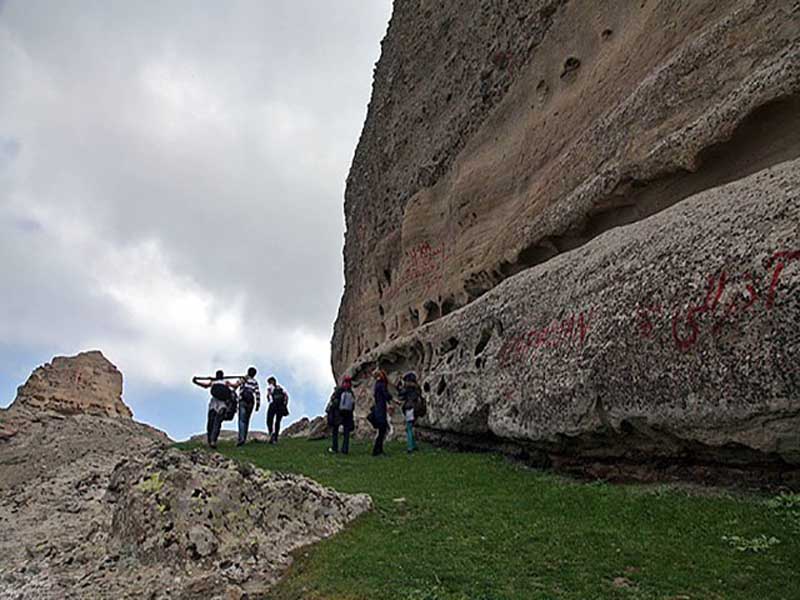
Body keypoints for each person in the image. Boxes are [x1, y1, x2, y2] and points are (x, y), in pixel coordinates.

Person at [192, 370, 236, 449]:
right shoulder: (225, 382)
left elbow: (205, 386)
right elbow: (235, 386)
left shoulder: (214, 382)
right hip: (220, 404)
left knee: (212, 423)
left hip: (216, 404)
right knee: (215, 423)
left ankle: (211, 440)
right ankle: (212, 441)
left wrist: (196, 382)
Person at [329, 375, 355, 454]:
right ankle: (345, 449)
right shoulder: (351, 392)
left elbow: (334, 401)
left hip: (339, 413)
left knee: (335, 431)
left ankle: (335, 448)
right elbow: (353, 405)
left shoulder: (339, 390)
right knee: (346, 433)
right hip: (348, 414)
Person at [236, 366, 261, 446]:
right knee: (247, 420)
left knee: (241, 420)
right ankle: (244, 438)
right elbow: (257, 393)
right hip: (251, 402)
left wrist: (242, 379)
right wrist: (258, 404)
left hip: (243, 400)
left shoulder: (244, 379)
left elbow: (237, 384)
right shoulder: (255, 382)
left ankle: (241, 438)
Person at [396, 372, 420, 453]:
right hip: (416, 408)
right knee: (411, 427)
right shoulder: (417, 387)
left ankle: (410, 447)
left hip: (409, 408)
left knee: (409, 428)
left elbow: (401, 395)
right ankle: (414, 445)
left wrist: (399, 387)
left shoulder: (408, 388)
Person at [371, 369, 391, 456]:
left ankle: (378, 449)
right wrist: (391, 398)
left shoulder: (376, 385)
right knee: (382, 430)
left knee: (382, 430)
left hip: (378, 408)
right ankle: (377, 450)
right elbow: (386, 395)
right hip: (381, 409)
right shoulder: (381, 385)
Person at [266, 376, 289, 444]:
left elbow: (268, 395)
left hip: (273, 405)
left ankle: (271, 434)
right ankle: (276, 437)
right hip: (281, 406)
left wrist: (269, 399)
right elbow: (286, 396)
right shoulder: (281, 388)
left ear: (271, 382)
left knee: (269, 420)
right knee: (278, 422)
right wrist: (285, 404)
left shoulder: (270, 387)